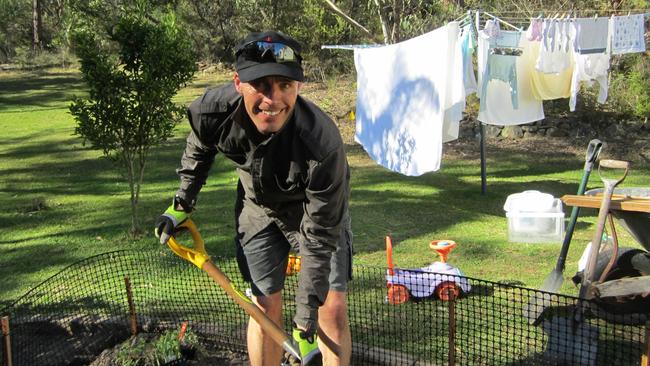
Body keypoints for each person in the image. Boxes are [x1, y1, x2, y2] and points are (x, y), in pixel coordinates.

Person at [155, 30, 353, 366]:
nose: (272, 100)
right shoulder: (212, 112)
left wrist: (304, 322)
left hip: (314, 214)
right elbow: (199, 147)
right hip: (256, 209)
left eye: (285, 86)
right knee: (264, 307)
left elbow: (319, 238)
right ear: (237, 82)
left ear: (299, 86)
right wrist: (182, 204)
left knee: (329, 308)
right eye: (261, 85)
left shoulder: (323, 144)